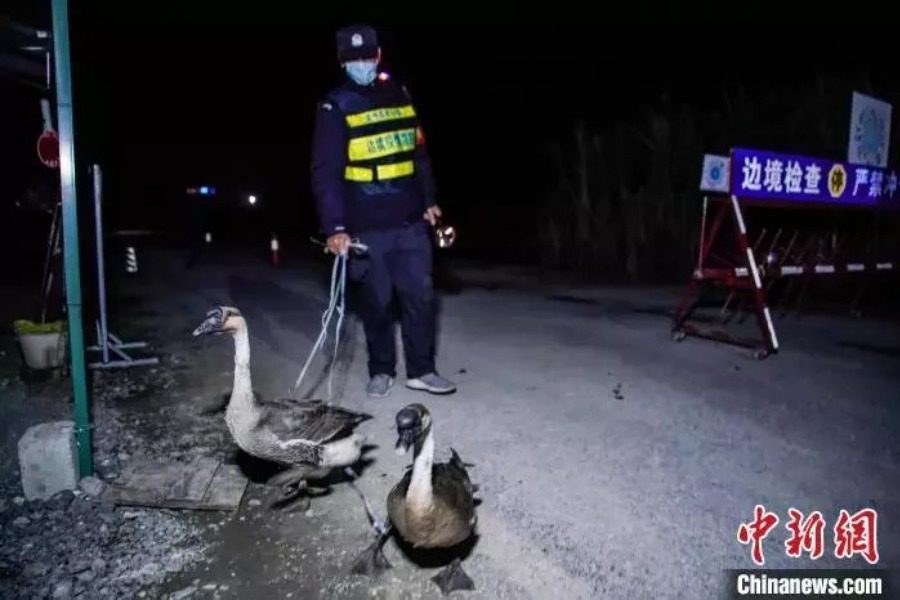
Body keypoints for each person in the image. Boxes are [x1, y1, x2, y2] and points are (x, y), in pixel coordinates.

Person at [310, 24, 456, 398]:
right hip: (364, 226)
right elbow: (325, 174)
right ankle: (381, 370)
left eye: (366, 56)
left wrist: (429, 200)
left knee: (420, 297)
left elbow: (418, 153)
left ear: (378, 56)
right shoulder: (334, 106)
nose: (362, 63)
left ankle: (422, 370)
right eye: (352, 58)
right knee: (376, 303)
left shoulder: (400, 95)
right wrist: (335, 227)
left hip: (410, 221)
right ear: (342, 62)